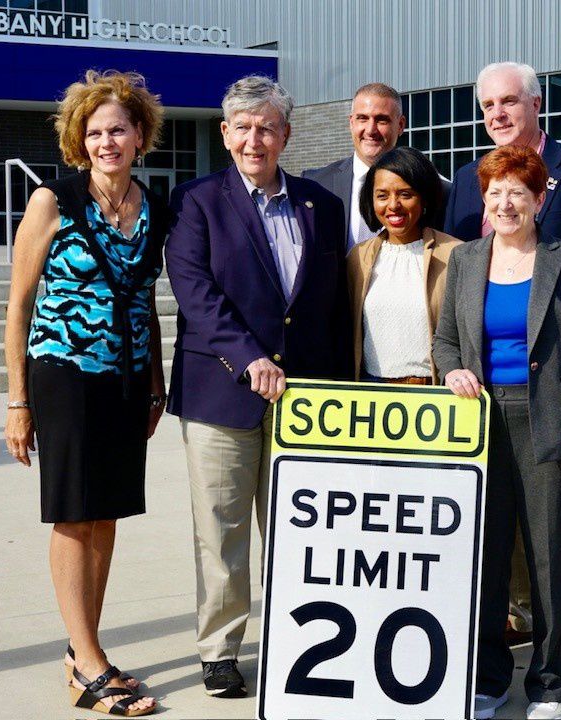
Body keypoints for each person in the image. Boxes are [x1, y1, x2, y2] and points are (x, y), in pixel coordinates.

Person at [164, 75, 350, 700]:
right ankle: (220, 651)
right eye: (242, 128)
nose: (254, 139)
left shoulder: (320, 204)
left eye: (266, 127)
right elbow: (195, 292)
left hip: (305, 402)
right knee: (221, 530)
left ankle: (300, 644)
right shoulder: (196, 202)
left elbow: (327, 305)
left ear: (286, 136)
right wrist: (249, 359)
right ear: (224, 134)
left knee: (300, 530)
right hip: (222, 394)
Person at [4, 69, 166, 716]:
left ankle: (84, 652)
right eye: (95, 132)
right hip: (63, 375)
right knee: (74, 514)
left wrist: (155, 386)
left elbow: (146, 300)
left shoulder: (152, 206)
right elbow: (18, 306)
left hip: (127, 380)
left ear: (139, 135)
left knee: (106, 514)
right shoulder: (53, 201)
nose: (107, 142)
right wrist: (18, 402)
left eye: (118, 129)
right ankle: (89, 660)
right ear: (79, 139)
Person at [444, 60, 561, 670]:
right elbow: (458, 312)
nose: (498, 114)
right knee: (497, 535)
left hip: (557, 393)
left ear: (535, 104)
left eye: (509, 101)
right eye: (488, 104)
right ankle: (514, 622)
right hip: (488, 403)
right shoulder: (468, 182)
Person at [347, 146, 460, 382]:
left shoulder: (455, 254)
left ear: (424, 198)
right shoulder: (357, 258)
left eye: (405, 194)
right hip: (372, 389)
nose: (393, 205)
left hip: (434, 392)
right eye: (382, 195)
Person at [304, 83, 411, 252]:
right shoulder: (314, 184)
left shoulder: (429, 188)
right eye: (363, 118)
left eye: (381, 119)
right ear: (351, 123)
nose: (370, 129)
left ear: (400, 125)